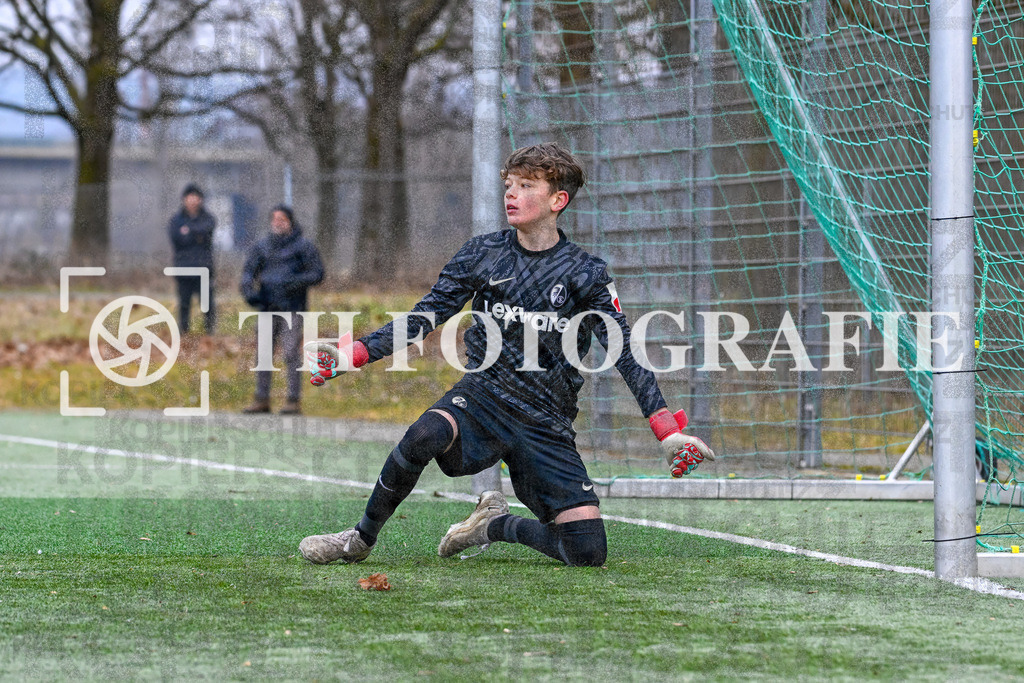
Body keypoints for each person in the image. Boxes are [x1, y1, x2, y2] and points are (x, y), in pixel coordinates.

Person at [299, 142, 714, 567]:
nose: (511, 194)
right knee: (425, 433)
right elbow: (426, 314)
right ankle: (359, 538)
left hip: (546, 418)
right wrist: (355, 353)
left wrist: (666, 431)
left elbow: (623, 351)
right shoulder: (483, 253)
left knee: (587, 553)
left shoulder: (585, 273)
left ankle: (493, 525)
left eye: (526, 185)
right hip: (484, 397)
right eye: (509, 184)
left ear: (558, 200)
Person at [240, 205, 325, 415]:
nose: (278, 223)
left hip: (292, 308)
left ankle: (293, 400)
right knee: (263, 354)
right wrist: (248, 291)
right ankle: (261, 399)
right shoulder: (262, 246)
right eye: (275, 219)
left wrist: (294, 282)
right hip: (267, 306)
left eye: (282, 219)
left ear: (290, 222)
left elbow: (317, 273)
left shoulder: (303, 246)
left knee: (290, 352)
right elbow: (248, 271)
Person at [168, 183, 217, 334]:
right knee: (184, 303)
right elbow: (177, 239)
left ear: (201, 200)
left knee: (207, 303)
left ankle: (210, 332)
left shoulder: (208, 218)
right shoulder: (176, 220)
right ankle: (183, 333)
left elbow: (207, 231)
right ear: (184, 199)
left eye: (196, 197)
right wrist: (197, 234)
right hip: (183, 268)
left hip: (204, 268)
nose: (193, 201)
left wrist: (188, 231)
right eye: (190, 197)